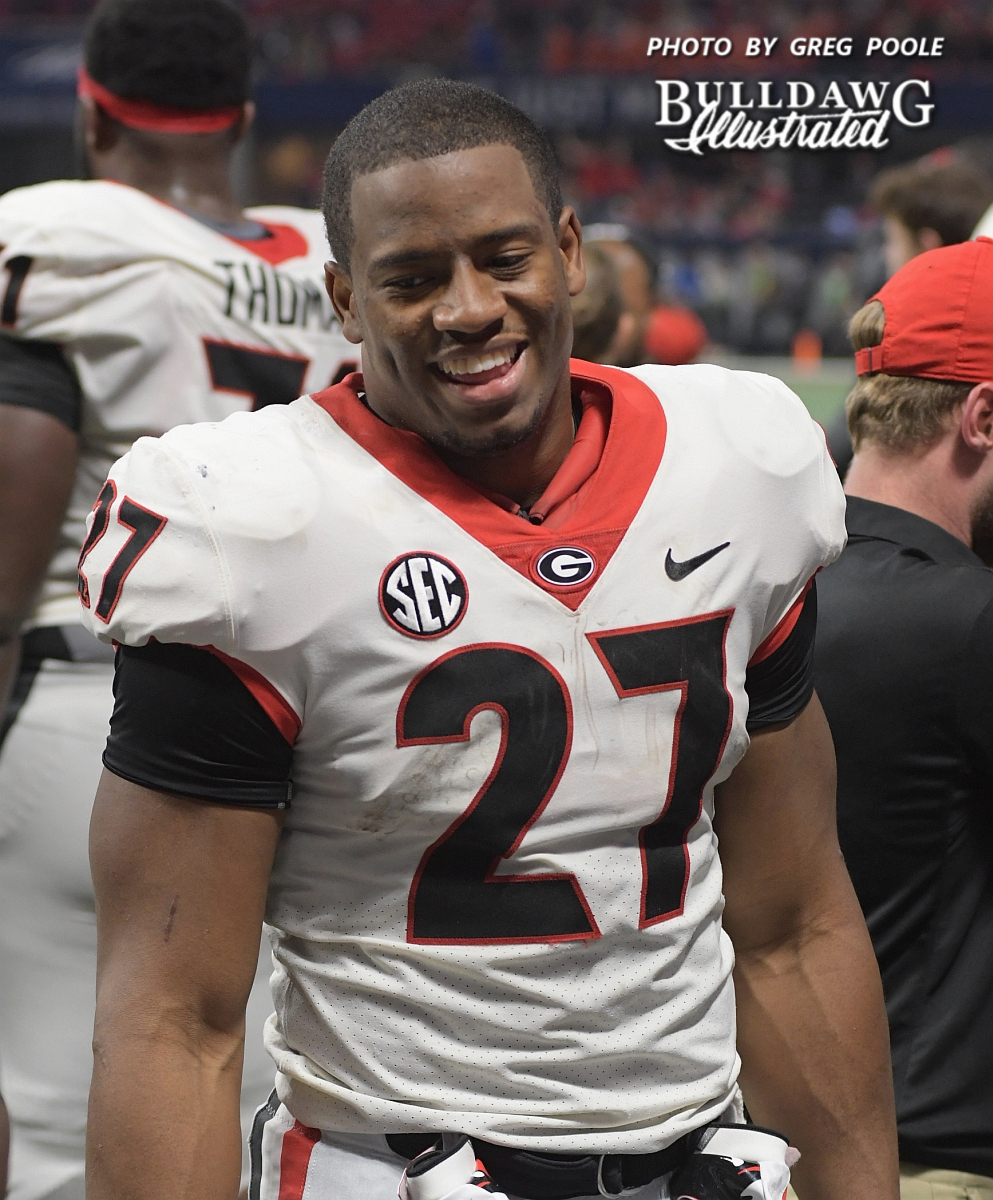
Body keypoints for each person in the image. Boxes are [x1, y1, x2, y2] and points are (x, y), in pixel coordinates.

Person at [81, 79, 898, 1200]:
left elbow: (796, 924)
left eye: (504, 258)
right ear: (346, 301)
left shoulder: (733, 471)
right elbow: (175, 1020)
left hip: (698, 1158)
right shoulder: (251, 527)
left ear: (569, 250)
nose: (468, 309)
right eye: (412, 280)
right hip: (395, 1164)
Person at [0, 1, 353, 1197]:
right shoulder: (333, 261)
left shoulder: (59, 239)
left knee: (65, 1130)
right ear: (245, 119)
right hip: (311, 723)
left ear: (95, 113)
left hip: (86, 702)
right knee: (246, 1117)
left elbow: (20, 510)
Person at [814, 238, 993, 1200]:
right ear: (982, 416)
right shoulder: (966, 620)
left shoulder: (771, 588)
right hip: (932, 1163)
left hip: (779, 1136)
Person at [825, 155, 993, 478]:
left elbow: (838, 450)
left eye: (892, 240)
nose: (886, 254)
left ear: (927, 246)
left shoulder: (913, 347)